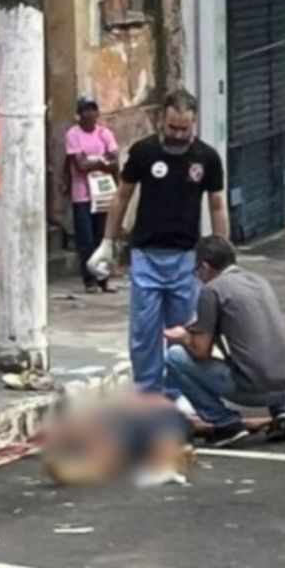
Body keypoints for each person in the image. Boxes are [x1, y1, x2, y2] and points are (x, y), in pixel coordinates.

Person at [88, 89, 229, 394]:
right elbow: (122, 196)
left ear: (194, 123)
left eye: (184, 129)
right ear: (161, 120)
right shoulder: (144, 152)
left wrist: (222, 257)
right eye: (172, 127)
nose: (178, 135)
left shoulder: (206, 158)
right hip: (146, 255)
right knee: (144, 332)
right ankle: (147, 393)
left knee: (185, 331)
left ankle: (181, 392)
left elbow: (217, 206)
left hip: (187, 258)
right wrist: (108, 242)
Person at [164, 236, 285, 447]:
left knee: (175, 356)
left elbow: (201, 351)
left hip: (256, 389)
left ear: (205, 267)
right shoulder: (259, 281)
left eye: (196, 271)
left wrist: (183, 337)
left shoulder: (212, 290)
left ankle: (225, 423)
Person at [42, 393, 194, 489]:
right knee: (141, 456)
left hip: (157, 421)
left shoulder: (107, 422)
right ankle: (171, 456)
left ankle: (168, 460)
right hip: (162, 420)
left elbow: (107, 458)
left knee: (158, 443)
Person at [66, 95, 120, 293]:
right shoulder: (73, 134)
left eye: (92, 110)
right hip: (82, 193)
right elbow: (79, 165)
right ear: (79, 114)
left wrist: (93, 161)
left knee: (102, 237)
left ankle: (103, 278)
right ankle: (89, 280)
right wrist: (101, 161)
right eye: (85, 110)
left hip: (103, 192)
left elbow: (115, 162)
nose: (89, 114)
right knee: (86, 239)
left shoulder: (104, 133)